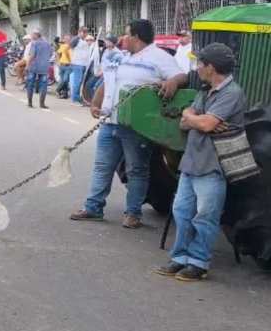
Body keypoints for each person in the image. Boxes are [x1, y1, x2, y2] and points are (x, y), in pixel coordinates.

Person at [71, 19, 188, 228]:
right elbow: (108, 81)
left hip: (136, 127)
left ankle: (133, 213)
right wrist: (95, 103)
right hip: (110, 121)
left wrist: (172, 82)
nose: (123, 39)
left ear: (136, 36)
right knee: (102, 167)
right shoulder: (120, 57)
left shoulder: (159, 57)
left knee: (137, 170)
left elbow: (182, 77)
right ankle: (93, 207)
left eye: (126, 34)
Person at [156, 43, 247, 281]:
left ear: (211, 67)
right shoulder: (204, 92)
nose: (196, 68)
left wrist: (197, 118)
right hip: (192, 162)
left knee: (205, 215)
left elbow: (204, 124)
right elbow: (185, 123)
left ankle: (198, 262)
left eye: (200, 63)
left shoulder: (232, 93)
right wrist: (191, 114)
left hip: (214, 165)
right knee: (182, 211)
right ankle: (179, 258)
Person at [24, 29, 52, 109]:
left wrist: (27, 65)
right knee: (43, 85)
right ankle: (42, 103)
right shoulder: (47, 43)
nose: (32, 36)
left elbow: (32, 55)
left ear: (36, 35)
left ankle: (29, 103)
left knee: (30, 83)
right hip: (44, 67)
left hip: (34, 66)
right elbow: (50, 54)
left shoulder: (34, 43)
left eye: (33, 35)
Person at [68, 26, 93, 106]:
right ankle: (75, 99)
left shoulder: (83, 41)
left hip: (83, 64)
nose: (86, 34)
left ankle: (78, 98)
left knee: (79, 82)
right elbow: (66, 49)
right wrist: (70, 60)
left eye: (87, 32)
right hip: (78, 63)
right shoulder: (76, 39)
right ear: (80, 32)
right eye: (84, 32)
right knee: (77, 81)